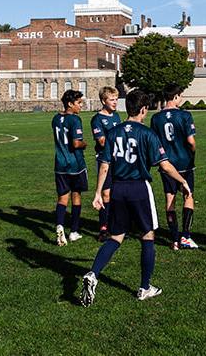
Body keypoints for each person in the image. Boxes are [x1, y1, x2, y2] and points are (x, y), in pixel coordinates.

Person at [80, 89, 193, 307]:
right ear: (143, 109)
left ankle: (93, 274)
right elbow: (165, 165)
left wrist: (97, 193)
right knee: (148, 236)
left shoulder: (113, 133)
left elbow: (104, 165)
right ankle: (144, 287)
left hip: (118, 189)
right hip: (139, 188)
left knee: (116, 237)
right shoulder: (148, 134)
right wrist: (183, 181)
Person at [151, 84, 198, 250]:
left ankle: (175, 240)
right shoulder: (185, 115)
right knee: (188, 196)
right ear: (176, 96)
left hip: (167, 164)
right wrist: (192, 152)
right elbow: (191, 141)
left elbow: (154, 144)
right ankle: (185, 236)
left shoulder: (156, 118)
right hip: (184, 163)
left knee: (169, 199)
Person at [52, 90, 88, 246]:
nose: (81, 105)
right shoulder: (75, 120)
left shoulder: (55, 119)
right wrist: (84, 143)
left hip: (60, 164)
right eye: (79, 103)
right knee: (76, 196)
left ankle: (60, 225)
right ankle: (73, 231)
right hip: (75, 164)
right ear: (70, 104)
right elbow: (76, 144)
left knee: (62, 198)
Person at [90, 86, 121, 241]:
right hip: (104, 160)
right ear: (103, 101)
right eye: (111, 100)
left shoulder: (116, 117)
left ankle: (117, 224)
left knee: (118, 192)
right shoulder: (97, 119)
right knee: (106, 193)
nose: (115, 103)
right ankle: (103, 227)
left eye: (116, 99)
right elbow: (102, 141)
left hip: (118, 160)